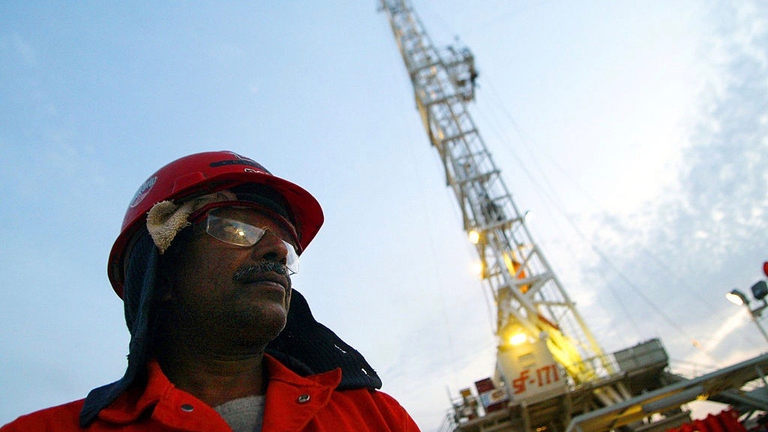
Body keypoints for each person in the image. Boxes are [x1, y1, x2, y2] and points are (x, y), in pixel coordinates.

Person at [2, 151, 420, 431]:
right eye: (237, 229)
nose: (276, 250)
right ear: (159, 275)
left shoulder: (375, 418)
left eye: (285, 244)